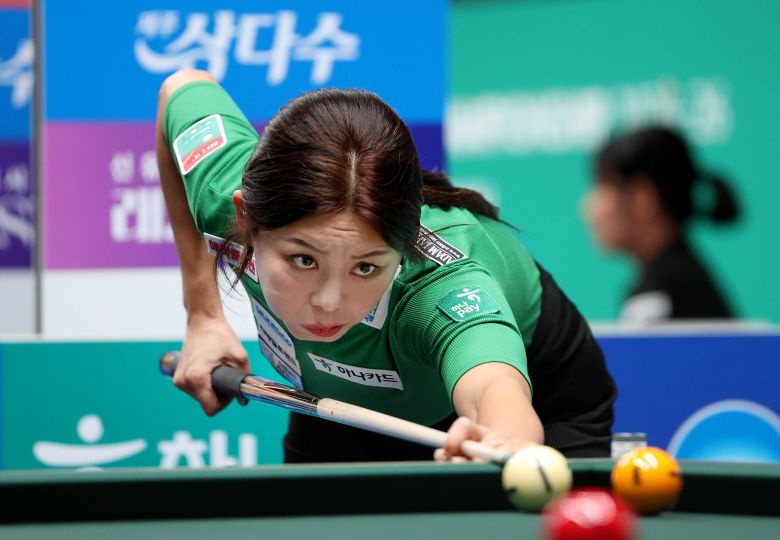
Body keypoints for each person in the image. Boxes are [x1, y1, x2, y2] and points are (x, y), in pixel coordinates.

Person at [157, 69, 616, 463]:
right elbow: (181, 87)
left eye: (365, 268)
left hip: (531, 400)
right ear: (245, 217)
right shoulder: (223, 196)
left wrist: (504, 440)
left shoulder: (438, 287)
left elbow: (493, 386)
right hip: (338, 400)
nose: (329, 302)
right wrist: (203, 316)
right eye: (304, 260)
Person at [584, 125, 739, 323]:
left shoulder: (659, 294)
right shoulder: (678, 278)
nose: (589, 207)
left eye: (603, 188)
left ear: (643, 197)